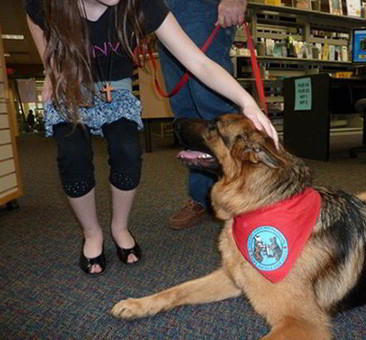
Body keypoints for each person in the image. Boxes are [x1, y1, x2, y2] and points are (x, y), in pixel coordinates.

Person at [25, 0, 278, 275]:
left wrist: (247, 103)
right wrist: (50, 68)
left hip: (116, 89)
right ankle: (92, 233)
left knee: (127, 151)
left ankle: (120, 227)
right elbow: (33, 19)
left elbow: (200, 63)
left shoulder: (143, 4)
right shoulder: (47, 3)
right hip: (71, 85)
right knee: (73, 155)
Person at [159, 0, 248, 229]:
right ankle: (202, 197)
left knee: (214, 107)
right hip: (166, 8)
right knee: (185, 112)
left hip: (203, 7)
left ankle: (247, 198)